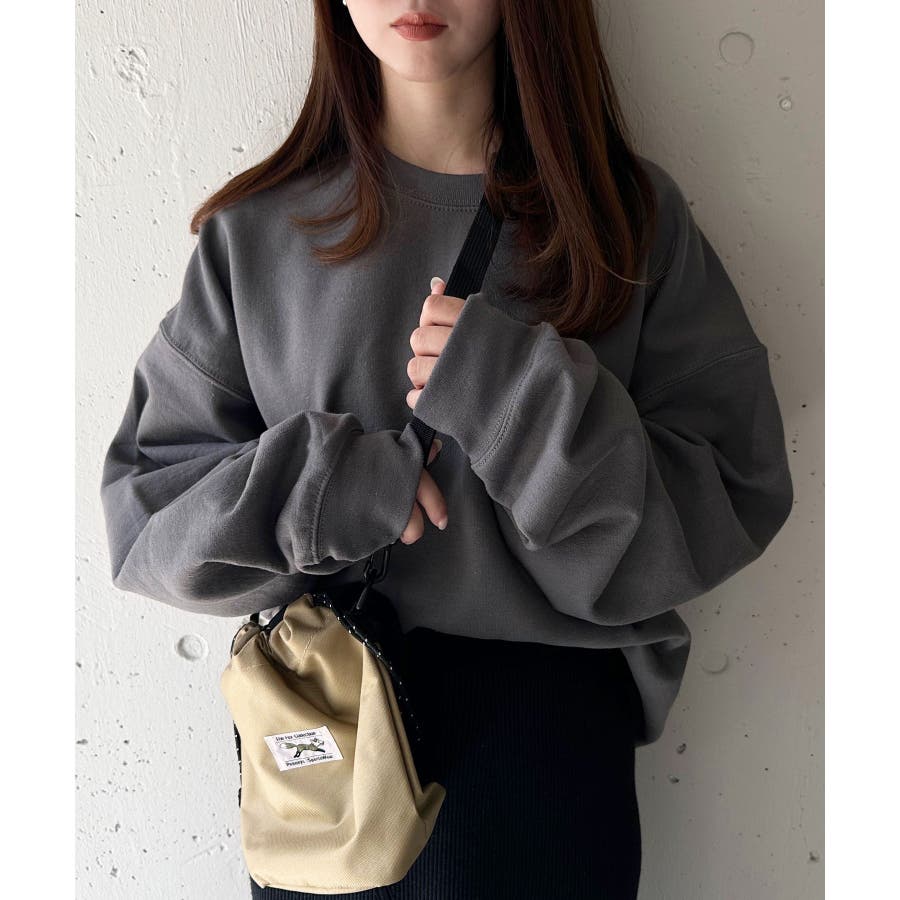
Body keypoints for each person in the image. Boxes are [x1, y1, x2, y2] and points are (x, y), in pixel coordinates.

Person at [99, 1, 794, 898]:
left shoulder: (625, 224)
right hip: (322, 749)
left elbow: (733, 488)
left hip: (541, 757)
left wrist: (523, 406)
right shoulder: (257, 234)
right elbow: (145, 517)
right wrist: (318, 492)